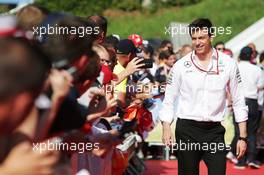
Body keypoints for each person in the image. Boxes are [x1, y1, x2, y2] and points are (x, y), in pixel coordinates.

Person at [160, 18, 248, 175]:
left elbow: (239, 101)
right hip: (187, 131)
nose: (197, 42)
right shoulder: (180, 65)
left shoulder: (228, 64)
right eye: (194, 38)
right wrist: (166, 127)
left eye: (202, 38)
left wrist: (243, 137)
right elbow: (168, 100)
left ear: (211, 37)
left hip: (214, 132)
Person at [232, 47, 264, 169]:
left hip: (239, 101)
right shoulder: (257, 69)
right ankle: (251, 159)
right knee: (251, 132)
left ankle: (240, 160)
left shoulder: (235, 67)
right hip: (252, 101)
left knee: (238, 131)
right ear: (252, 56)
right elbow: (260, 86)